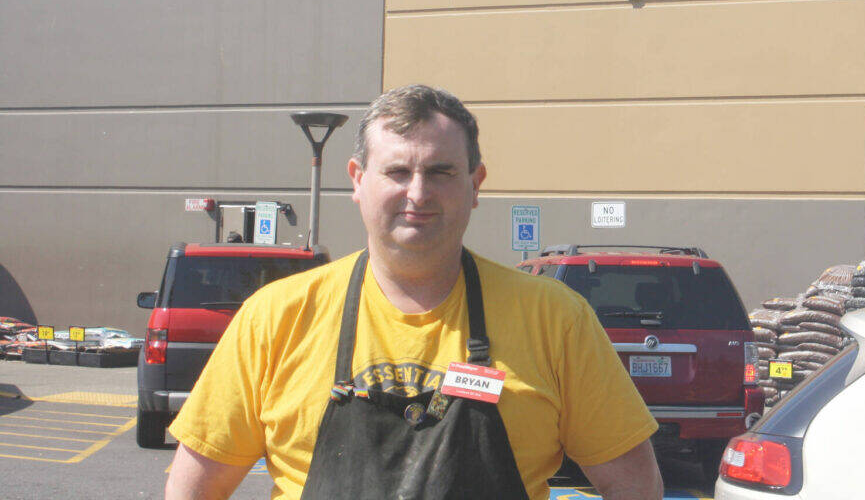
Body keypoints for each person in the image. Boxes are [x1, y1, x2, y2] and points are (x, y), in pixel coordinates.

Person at [164, 85, 663, 500]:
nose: (418, 194)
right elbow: (193, 490)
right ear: (358, 181)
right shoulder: (275, 317)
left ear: (475, 183)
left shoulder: (556, 319)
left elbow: (635, 489)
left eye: (441, 172)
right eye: (398, 172)